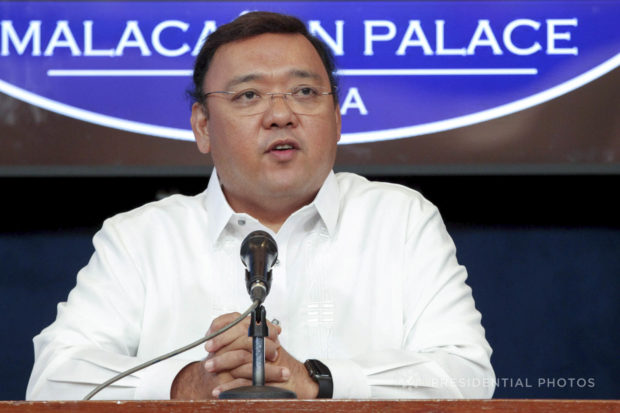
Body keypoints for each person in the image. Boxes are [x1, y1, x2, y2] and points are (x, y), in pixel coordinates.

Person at [26, 11, 495, 400]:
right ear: (203, 126)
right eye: (249, 95)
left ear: (337, 117)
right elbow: (52, 380)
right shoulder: (141, 238)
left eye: (305, 92)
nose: (280, 114)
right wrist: (184, 383)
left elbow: (470, 376)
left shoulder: (400, 220)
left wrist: (316, 380)